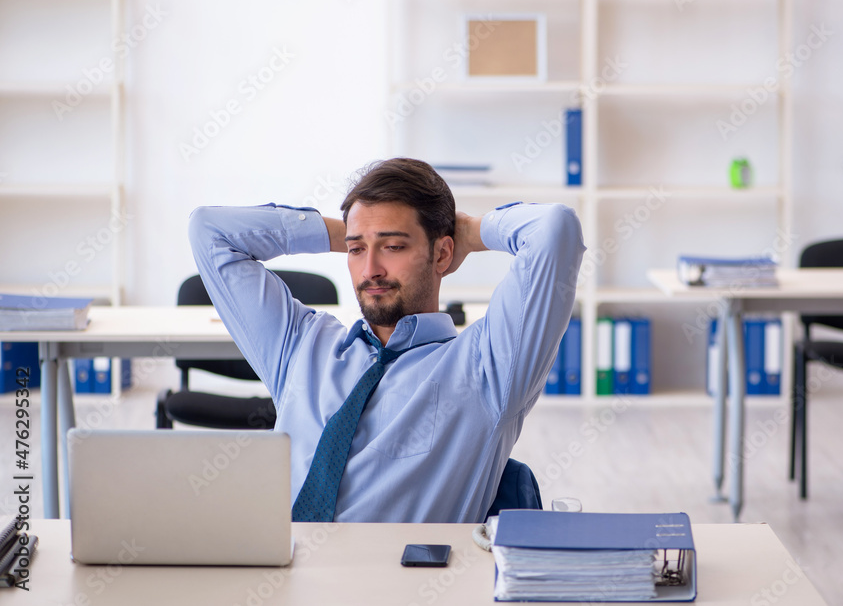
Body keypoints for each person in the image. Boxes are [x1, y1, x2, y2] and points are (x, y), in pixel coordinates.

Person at [188, 157, 585, 523]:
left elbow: (554, 230)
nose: (371, 269)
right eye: (357, 251)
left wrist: (466, 231)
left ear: (442, 254)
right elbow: (210, 231)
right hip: (275, 577)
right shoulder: (301, 345)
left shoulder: (487, 368)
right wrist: (349, 231)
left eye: (393, 246)